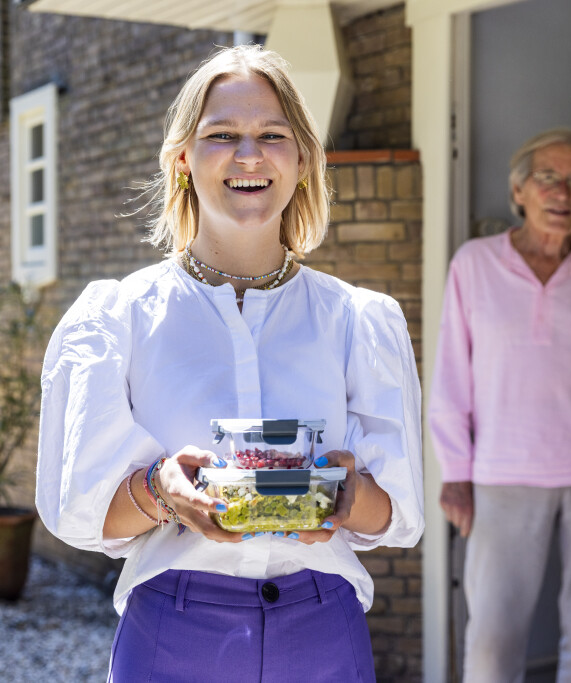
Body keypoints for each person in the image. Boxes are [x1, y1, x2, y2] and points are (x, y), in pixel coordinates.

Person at [35, 44, 423, 682]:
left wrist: (349, 496)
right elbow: (81, 512)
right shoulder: (119, 317)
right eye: (223, 135)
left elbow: (396, 518)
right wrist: (161, 489)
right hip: (173, 629)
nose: (250, 155)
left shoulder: (357, 320)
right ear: (183, 158)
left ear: (301, 161)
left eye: (273, 134)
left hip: (322, 630)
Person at [429, 128, 571, 683]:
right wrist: (455, 474)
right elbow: (451, 380)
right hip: (502, 474)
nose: (563, 191)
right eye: (549, 177)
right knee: (491, 641)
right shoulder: (473, 265)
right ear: (519, 192)